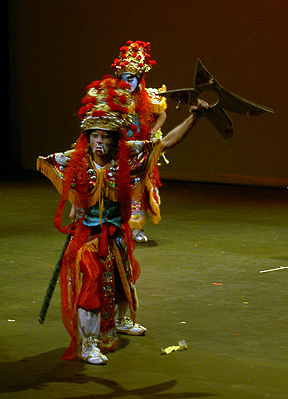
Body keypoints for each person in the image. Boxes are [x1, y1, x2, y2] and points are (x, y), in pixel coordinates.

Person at [37, 76, 205, 364]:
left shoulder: (127, 159)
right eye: (94, 135)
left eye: (105, 136)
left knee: (121, 278)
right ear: (87, 136)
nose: (99, 142)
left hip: (116, 234)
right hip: (88, 238)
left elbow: (165, 143)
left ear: (115, 139)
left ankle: (121, 321)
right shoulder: (74, 161)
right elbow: (47, 163)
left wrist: (194, 118)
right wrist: (76, 205)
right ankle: (88, 343)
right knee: (91, 286)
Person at [111, 41, 167, 243]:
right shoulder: (115, 98)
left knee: (138, 190)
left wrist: (153, 131)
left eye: (132, 78)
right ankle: (118, 227)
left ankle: (136, 230)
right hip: (120, 150)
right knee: (117, 188)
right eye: (124, 78)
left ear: (139, 78)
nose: (128, 82)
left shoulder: (148, 97)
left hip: (141, 149)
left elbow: (162, 115)